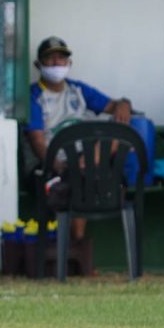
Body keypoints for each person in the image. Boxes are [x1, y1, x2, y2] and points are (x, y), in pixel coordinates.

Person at [26, 36, 132, 240]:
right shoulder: (34, 95)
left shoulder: (78, 90)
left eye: (61, 58)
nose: (57, 63)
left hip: (86, 158)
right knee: (77, 181)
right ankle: (78, 245)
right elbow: (37, 141)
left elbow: (114, 105)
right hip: (55, 163)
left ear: (69, 63)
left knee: (117, 131)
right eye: (50, 59)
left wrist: (124, 104)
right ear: (38, 65)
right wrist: (57, 165)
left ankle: (87, 165)